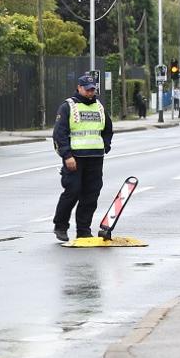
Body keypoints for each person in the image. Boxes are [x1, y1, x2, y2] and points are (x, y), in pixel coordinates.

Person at [51, 72, 114, 242]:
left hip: (95, 157)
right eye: (87, 89)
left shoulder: (99, 107)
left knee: (91, 195)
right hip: (75, 158)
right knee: (72, 192)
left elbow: (108, 129)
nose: (90, 92)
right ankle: (61, 226)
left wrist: (105, 146)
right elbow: (59, 134)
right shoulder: (68, 106)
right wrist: (67, 155)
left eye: (93, 89)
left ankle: (83, 230)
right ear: (79, 88)